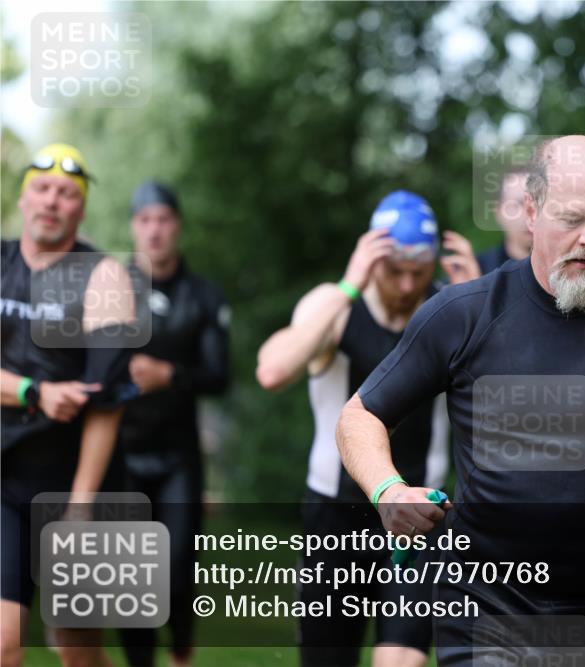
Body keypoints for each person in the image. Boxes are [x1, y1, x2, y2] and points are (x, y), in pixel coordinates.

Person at [335, 136, 585, 665]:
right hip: (485, 616)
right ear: (531, 212)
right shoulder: (464, 314)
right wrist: (388, 489)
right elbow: (360, 415)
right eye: (572, 219)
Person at [256, 191, 479, 667]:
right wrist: (349, 285)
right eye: (392, 269)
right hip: (336, 516)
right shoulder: (335, 305)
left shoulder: (449, 309)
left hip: (421, 513)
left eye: (416, 273)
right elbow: (273, 371)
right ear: (371, 256)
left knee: (402, 659)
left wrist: (477, 303)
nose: (404, 284)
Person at [1, 143, 137, 667]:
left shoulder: (106, 278)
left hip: (84, 484)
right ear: (23, 197)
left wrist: (80, 505)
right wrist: (31, 392)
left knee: (77, 648)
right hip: (7, 480)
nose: (52, 201)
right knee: (3, 642)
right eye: (42, 188)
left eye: (67, 193)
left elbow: (106, 405)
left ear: (80, 208)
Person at [117, 181, 230, 667]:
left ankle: (181, 653)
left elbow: (219, 376)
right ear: (133, 227)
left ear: (177, 226)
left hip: (179, 454)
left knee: (178, 568)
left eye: (163, 219)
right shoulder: (111, 289)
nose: (155, 230)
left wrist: (169, 374)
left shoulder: (202, 294)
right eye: (145, 220)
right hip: (122, 453)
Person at [475, 167, 532, 274]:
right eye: (519, 203)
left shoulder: (564, 269)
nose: (529, 213)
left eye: (537, 202)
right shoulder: (477, 269)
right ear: (499, 211)